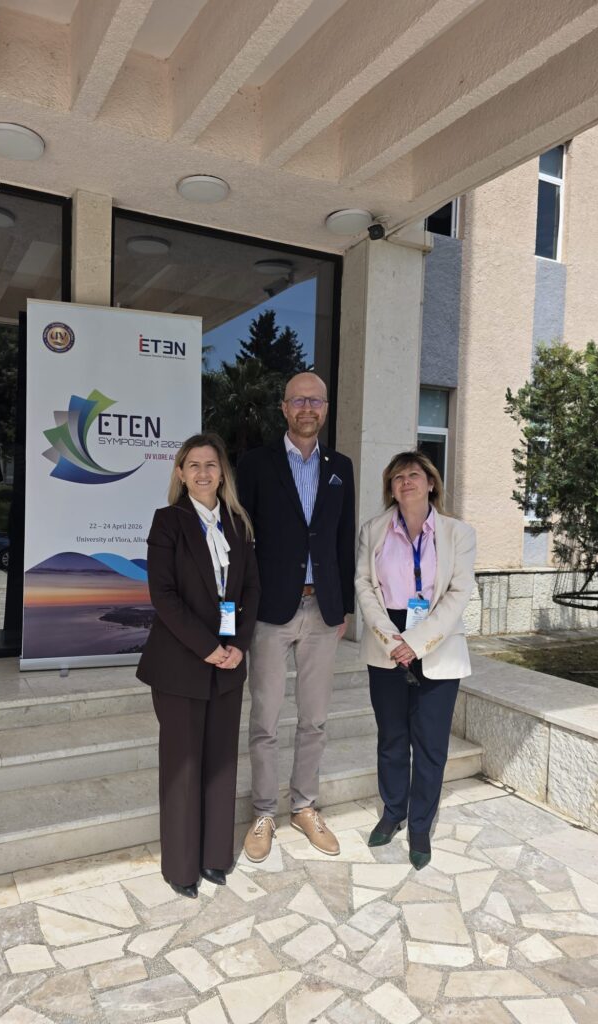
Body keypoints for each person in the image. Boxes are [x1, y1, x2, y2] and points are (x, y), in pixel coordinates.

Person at [237, 372, 355, 862]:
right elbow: (242, 538)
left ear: (325, 409)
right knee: (265, 718)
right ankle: (265, 811)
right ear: (284, 408)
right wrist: (241, 607)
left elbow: (343, 538)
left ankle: (304, 806)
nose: (308, 408)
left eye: (316, 400)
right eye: (299, 400)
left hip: (322, 610)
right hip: (270, 611)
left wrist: (344, 606)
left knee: (315, 719)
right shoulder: (255, 463)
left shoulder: (341, 467)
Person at [136, 432, 260, 899]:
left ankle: (214, 858)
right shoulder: (168, 521)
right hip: (181, 663)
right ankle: (181, 867)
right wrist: (207, 646)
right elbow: (163, 595)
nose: (203, 473)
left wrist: (239, 646)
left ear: (222, 473)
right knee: (183, 766)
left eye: (211, 464)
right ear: (181, 473)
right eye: (194, 465)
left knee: (221, 762)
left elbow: (252, 590)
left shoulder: (238, 523)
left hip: (229, 663)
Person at [355, 450, 476, 870]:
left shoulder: (459, 533)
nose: (406, 482)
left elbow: (459, 593)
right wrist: (392, 639)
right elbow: (364, 585)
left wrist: (416, 642)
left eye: (414, 475)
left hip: (437, 643)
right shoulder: (373, 530)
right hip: (386, 641)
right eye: (398, 477)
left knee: (430, 743)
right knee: (391, 737)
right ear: (390, 488)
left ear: (431, 483)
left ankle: (421, 824)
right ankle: (393, 812)